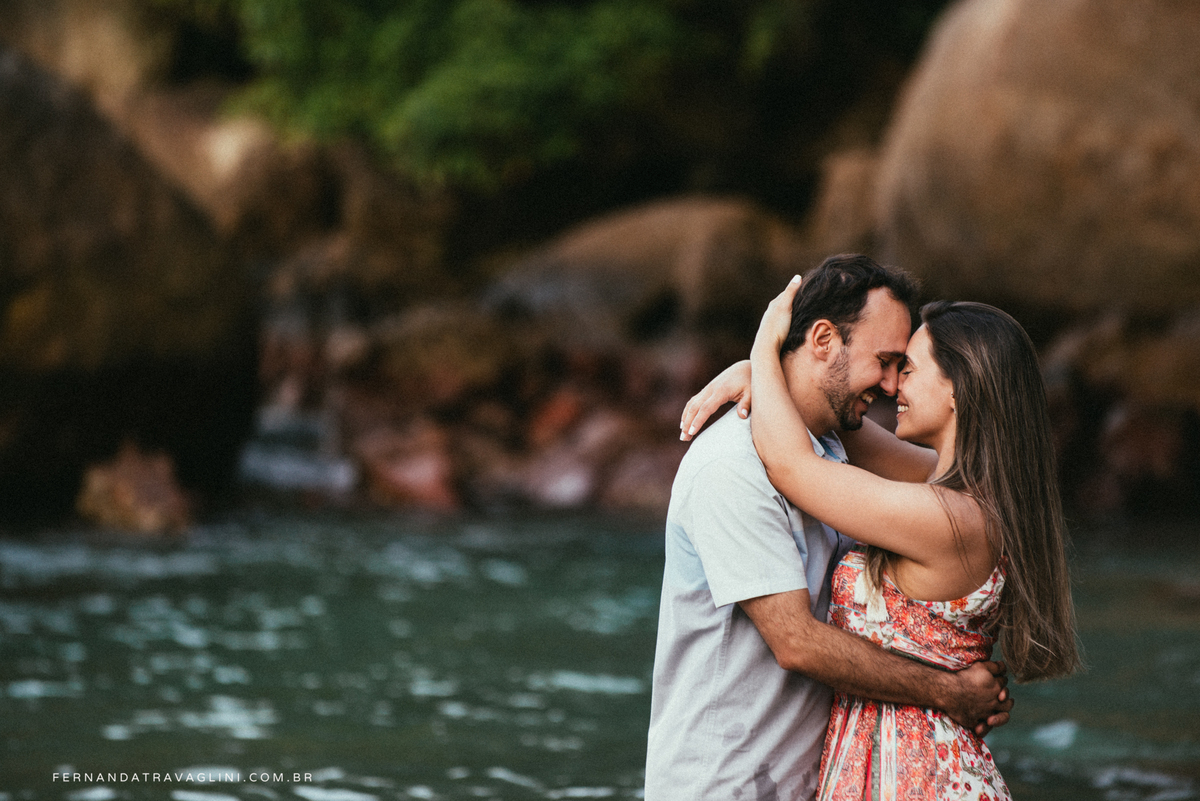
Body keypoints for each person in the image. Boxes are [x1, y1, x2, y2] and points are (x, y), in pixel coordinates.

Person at [684, 273, 1082, 799]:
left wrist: (765, 344)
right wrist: (763, 374)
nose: (893, 386)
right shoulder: (949, 487)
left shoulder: (951, 517)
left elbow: (793, 466)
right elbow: (832, 417)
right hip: (893, 765)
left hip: (922, 776)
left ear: (959, 390)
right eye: (890, 364)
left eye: (908, 368)